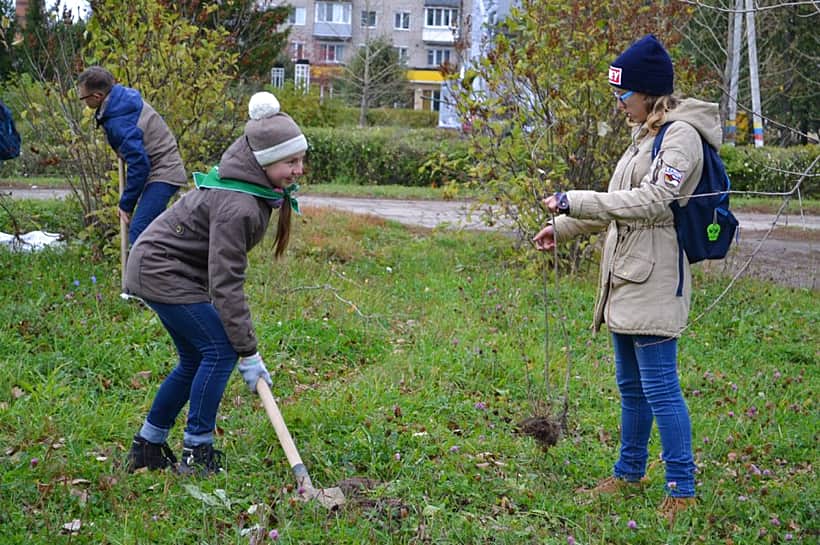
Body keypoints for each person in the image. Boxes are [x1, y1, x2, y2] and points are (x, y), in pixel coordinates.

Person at [532, 35, 718, 524]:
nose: (619, 103)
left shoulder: (680, 137)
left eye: (624, 94)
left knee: (660, 385)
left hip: (656, 277)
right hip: (625, 275)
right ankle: (629, 473)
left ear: (649, 92)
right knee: (631, 386)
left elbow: (655, 201)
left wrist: (576, 199)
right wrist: (563, 227)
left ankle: (682, 486)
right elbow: (619, 206)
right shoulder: (644, 134)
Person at [122, 91, 307, 475]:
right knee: (220, 350)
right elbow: (227, 282)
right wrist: (249, 351)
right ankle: (197, 452)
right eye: (291, 161)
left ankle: (148, 446)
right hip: (161, 270)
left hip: (167, 269)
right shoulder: (238, 205)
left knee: (195, 357)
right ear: (265, 160)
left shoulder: (253, 190)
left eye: (301, 160)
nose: (299, 170)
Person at [78, 66, 187, 244]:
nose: (83, 102)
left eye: (83, 98)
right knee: (155, 233)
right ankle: (165, 268)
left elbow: (140, 165)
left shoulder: (120, 122)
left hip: (164, 172)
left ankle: (145, 271)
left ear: (97, 96)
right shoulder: (120, 98)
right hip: (157, 168)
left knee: (139, 232)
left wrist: (126, 204)